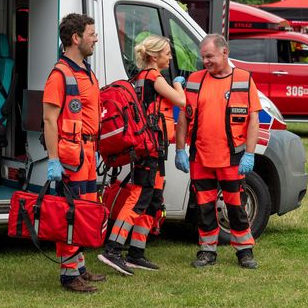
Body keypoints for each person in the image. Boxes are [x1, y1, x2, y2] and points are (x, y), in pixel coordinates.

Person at [98, 35, 186, 275]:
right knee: (139, 197)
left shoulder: (137, 78)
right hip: (149, 147)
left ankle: (136, 252)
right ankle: (113, 249)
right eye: (167, 53)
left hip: (152, 147)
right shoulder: (154, 77)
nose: (170, 57)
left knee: (153, 199)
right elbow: (180, 100)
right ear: (154, 57)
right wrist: (178, 83)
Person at [175, 34, 262, 269]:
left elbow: (254, 120)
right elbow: (183, 117)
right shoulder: (194, 80)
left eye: (209, 56)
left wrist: (250, 153)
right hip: (200, 157)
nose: (205, 61)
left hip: (233, 157)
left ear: (225, 52)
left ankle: (244, 251)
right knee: (204, 207)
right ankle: (207, 251)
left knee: (235, 206)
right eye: (203, 57)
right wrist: (180, 149)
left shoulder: (244, 79)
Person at [43, 13, 106, 292]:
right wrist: (54, 160)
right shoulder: (60, 74)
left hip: (88, 152)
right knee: (72, 212)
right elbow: (48, 120)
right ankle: (69, 275)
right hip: (72, 155)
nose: (95, 38)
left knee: (85, 211)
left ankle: (79, 265)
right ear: (75, 38)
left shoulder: (86, 70)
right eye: (91, 33)